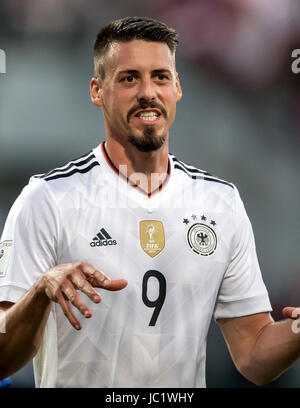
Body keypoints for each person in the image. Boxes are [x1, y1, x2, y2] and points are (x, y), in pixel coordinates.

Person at [0, 16, 299, 388]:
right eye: (129, 78)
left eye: (160, 77)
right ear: (97, 90)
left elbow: (254, 355)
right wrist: (42, 290)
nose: (148, 92)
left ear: (177, 87)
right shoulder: (46, 200)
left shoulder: (221, 202)